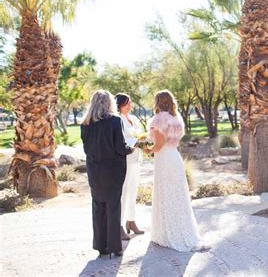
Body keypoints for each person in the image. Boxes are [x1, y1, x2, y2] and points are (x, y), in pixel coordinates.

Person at [145, 90, 203, 252]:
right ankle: (181, 229)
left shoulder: (159, 119)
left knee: (165, 192)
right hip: (174, 157)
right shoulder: (176, 119)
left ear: (158, 102)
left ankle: (166, 234)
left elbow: (159, 144)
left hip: (164, 159)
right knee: (177, 193)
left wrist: (148, 150)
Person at [81, 90, 134, 258]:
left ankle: (101, 246)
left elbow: (87, 149)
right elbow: (120, 147)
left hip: (94, 171)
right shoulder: (115, 121)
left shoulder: (85, 124)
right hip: (113, 171)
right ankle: (115, 247)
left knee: (98, 207)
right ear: (109, 103)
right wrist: (132, 147)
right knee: (113, 207)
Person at [115, 93, 144, 240]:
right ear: (119, 104)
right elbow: (121, 139)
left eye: (130, 103)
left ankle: (131, 221)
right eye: (127, 103)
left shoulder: (133, 119)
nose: (130, 105)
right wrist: (135, 143)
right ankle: (119, 226)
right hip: (125, 159)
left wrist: (143, 140)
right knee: (124, 192)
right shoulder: (117, 119)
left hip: (136, 158)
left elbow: (138, 134)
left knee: (133, 191)